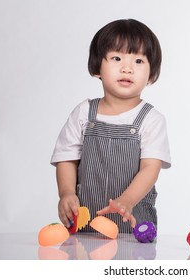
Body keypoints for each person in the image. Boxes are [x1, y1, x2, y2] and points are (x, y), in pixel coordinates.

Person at [50, 19, 171, 233]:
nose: (127, 68)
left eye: (139, 61)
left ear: (151, 74)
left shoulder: (152, 119)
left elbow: (150, 168)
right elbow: (66, 158)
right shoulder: (83, 113)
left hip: (133, 228)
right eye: (116, 58)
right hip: (85, 226)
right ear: (98, 67)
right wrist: (66, 193)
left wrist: (127, 200)